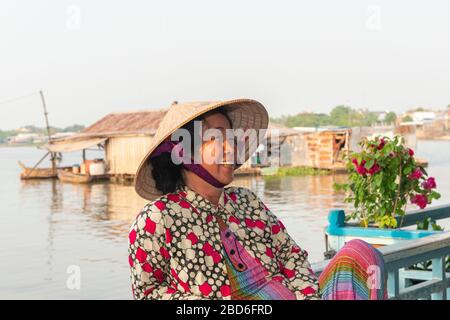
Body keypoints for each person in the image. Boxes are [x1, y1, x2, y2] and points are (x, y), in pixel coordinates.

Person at [128, 99, 387, 300]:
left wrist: (305, 294)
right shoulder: (157, 217)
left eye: (231, 138)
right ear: (184, 151)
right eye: (217, 138)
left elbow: (291, 256)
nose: (231, 147)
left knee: (360, 253)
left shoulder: (246, 201)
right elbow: (148, 292)